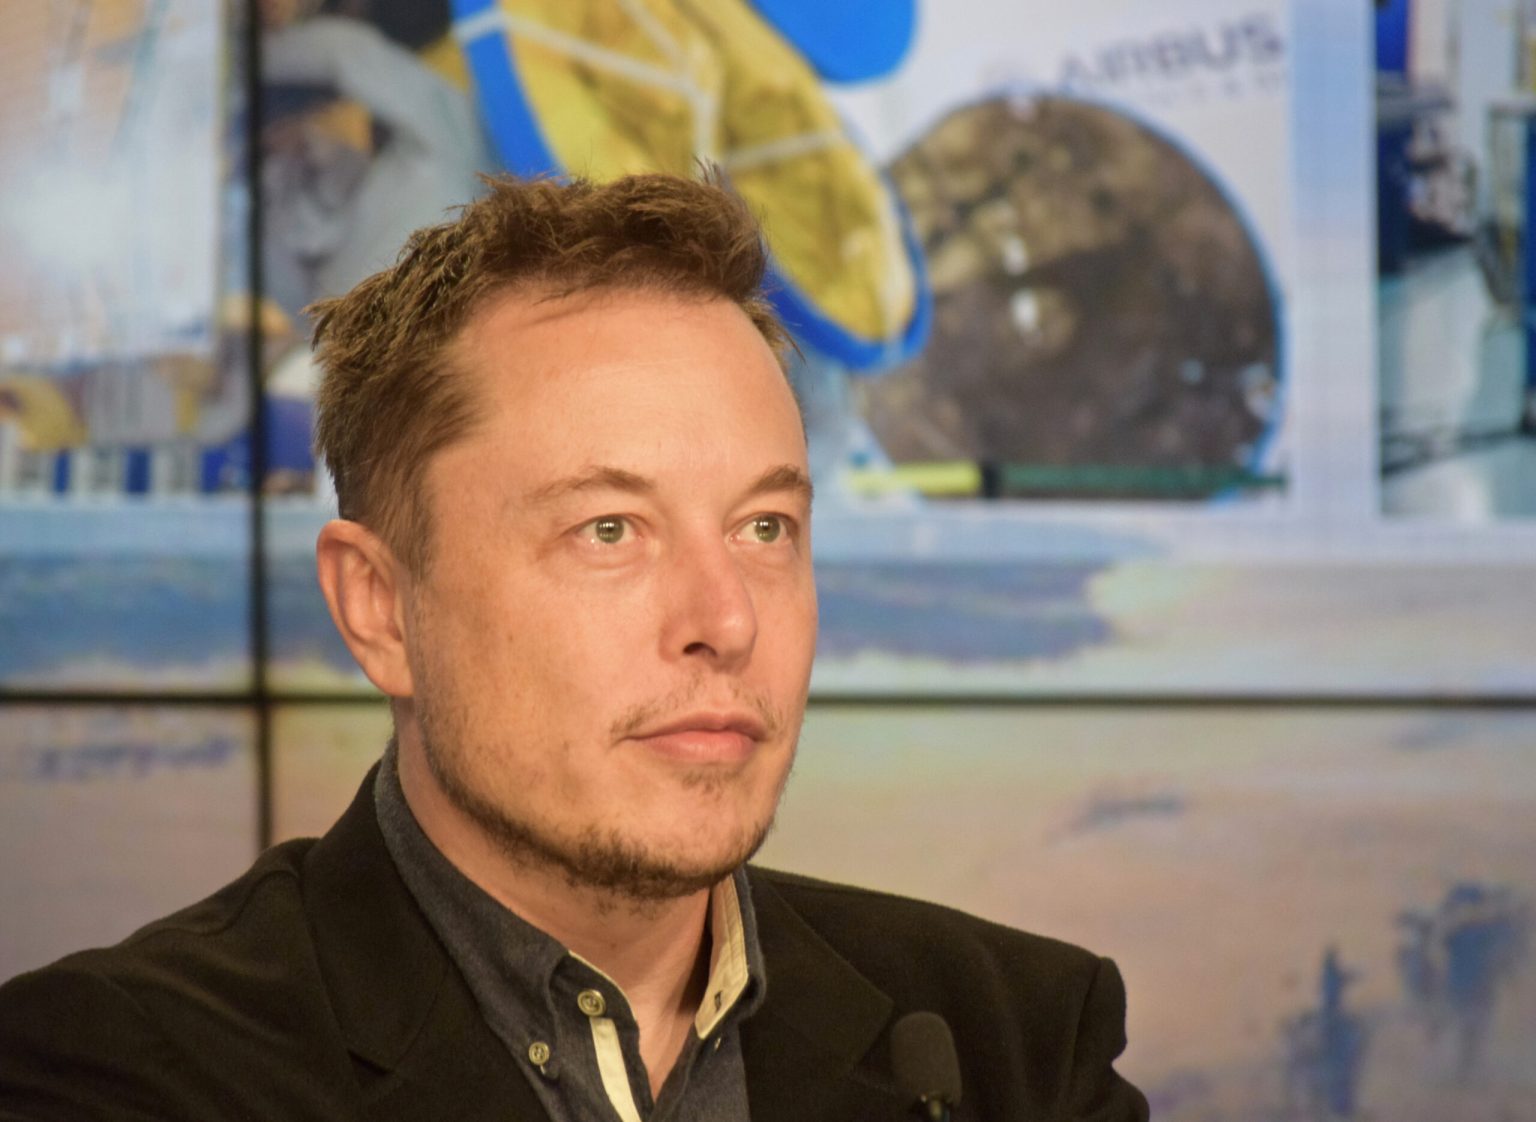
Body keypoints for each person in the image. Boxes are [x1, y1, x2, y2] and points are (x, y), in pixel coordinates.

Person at [0, 172, 1148, 1121]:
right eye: (609, 530)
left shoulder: (1011, 1044)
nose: (727, 621)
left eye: (764, 528)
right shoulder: (118, 1072)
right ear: (379, 609)